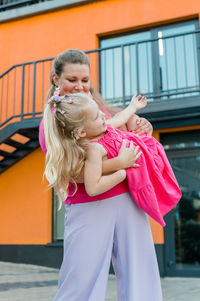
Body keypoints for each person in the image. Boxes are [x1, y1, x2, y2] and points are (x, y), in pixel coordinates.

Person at [39, 49, 163, 301]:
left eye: (85, 80)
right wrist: (120, 164)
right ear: (56, 79)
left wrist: (140, 129)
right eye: (72, 80)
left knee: (140, 272)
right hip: (89, 205)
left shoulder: (98, 111)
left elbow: (123, 135)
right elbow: (72, 170)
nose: (80, 86)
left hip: (128, 199)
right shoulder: (54, 122)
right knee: (81, 279)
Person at [45, 91, 181, 227]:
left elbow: (119, 118)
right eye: (97, 116)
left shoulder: (103, 128)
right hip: (138, 172)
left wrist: (133, 106)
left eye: (99, 111)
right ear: (81, 132)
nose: (103, 115)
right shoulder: (94, 150)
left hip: (146, 155)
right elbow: (93, 188)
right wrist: (121, 170)